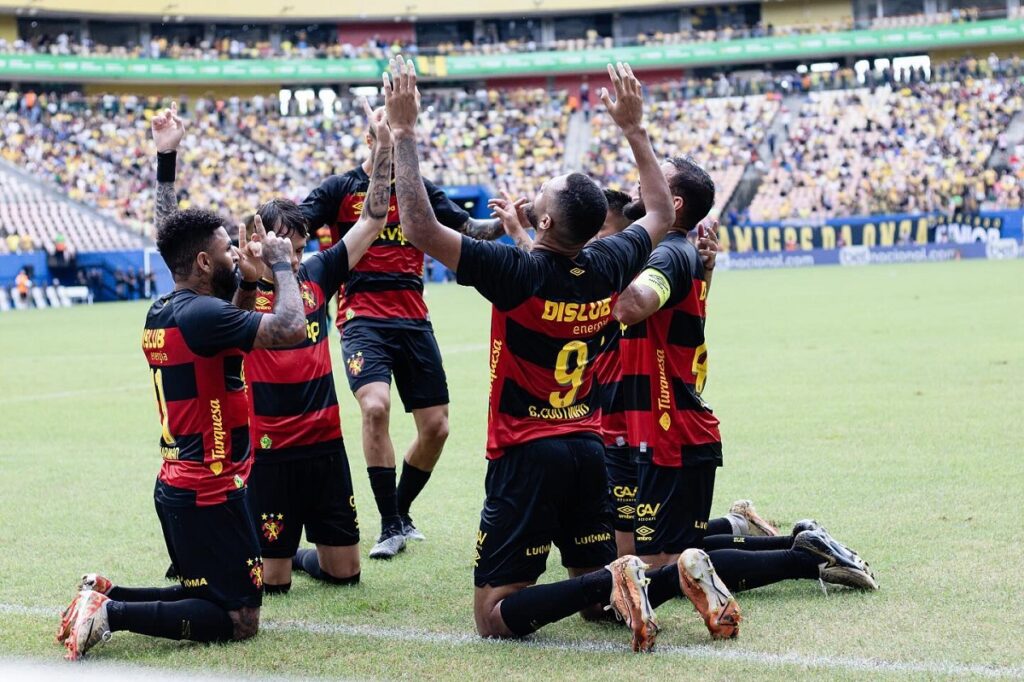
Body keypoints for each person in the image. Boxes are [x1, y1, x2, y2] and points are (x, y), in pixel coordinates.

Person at [387, 55, 713, 652]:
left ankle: (624, 575)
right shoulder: (609, 262)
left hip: (525, 454)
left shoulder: (513, 271)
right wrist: (635, 129)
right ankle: (637, 581)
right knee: (589, 600)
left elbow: (418, 226)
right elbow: (663, 214)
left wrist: (404, 132)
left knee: (494, 616)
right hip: (588, 448)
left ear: (543, 217)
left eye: (540, 193)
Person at [55, 106, 309, 661]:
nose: (234, 252)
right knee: (238, 618)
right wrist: (283, 266)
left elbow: (170, 236)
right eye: (225, 250)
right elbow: (290, 327)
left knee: (208, 593)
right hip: (204, 487)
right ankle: (112, 613)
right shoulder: (201, 316)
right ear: (201, 262)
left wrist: (166, 157)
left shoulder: (172, 306)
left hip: (189, 480)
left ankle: (104, 596)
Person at [612, 157, 878, 639]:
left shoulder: (671, 254)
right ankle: (774, 538)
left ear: (673, 204)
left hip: (669, 430)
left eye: (651, 176)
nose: (638, 179)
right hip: (662, 425)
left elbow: (630, 306)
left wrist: (588, 278)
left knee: (663, 571)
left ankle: (801, 556)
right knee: (675, 555)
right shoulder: (675, 254)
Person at [150, 101, 393, 593]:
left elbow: (373, 217)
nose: (295, 256)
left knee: (344, 574)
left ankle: (308, 554)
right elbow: (172, 239)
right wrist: (166, 162)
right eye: (287, 246)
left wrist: (385, 148)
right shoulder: (234, 288)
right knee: (272, 584)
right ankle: (281, 556)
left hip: (324, 442)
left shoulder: (318, 272)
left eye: (301, 246)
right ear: (257, 242)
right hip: (268, 451)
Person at [300, 103, 505, 559]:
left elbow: (472, 228)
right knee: (375, 406)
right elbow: (296, 223)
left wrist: (516, 221)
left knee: (436, 428)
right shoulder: (339, 189)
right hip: (361, 317)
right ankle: (389, 525)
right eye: (386, 143)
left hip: (413, 317)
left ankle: (401, 511)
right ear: (370, 140)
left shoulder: (418, 190)